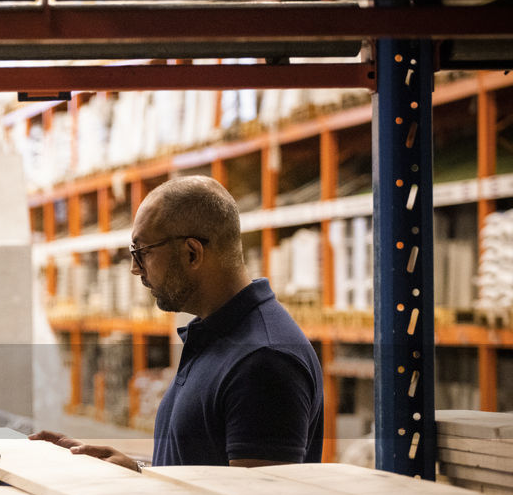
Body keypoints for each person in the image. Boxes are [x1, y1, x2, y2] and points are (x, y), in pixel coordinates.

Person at [33, 175, 323, 469]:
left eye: (142, 252)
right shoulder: (218, 337)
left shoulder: (262, 360)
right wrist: (137, 470)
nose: (135, 269)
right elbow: (205, 473)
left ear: (191, 253)